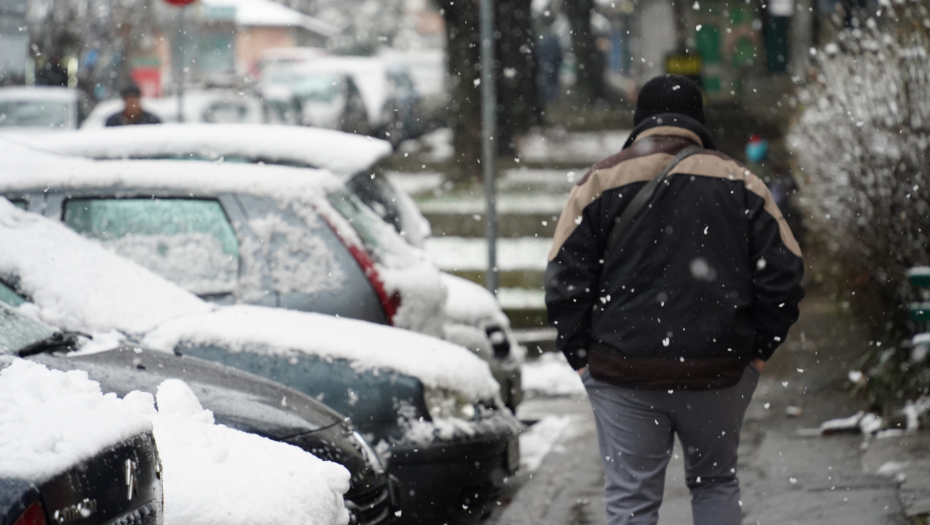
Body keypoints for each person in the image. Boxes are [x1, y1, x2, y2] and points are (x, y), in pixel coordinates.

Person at [545, 74, 804, 525]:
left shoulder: (599, 180)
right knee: (716, 482)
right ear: (698, 120)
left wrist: (583, 357)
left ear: (640, 119)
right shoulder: (741, 180)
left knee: (631, 499)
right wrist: (756, 352)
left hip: (624, 371)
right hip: (718, 369)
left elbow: (564, 276)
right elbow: (785, 272)